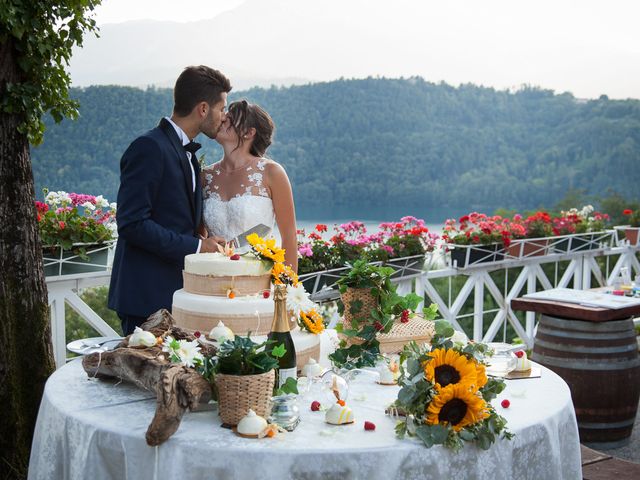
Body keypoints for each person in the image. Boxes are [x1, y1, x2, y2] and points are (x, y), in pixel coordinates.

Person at [109, 66, 231, 335]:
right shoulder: (149, 147)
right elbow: (132, 223)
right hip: (145, 298)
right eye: (221, 108)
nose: (224, 117)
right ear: (202, 108)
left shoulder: (185, 152)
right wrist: (198, 247)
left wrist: (203, 237)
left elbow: (177, 217)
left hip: (175, 295)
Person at [201, 100, 298, 270]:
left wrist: (287, 288)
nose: (222, 119)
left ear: (248, 132)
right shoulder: (205, 177)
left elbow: (289, 237)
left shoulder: (271, 172)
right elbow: (199, 235)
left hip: (257, 280)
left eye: (230, 119)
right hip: (212, 275)